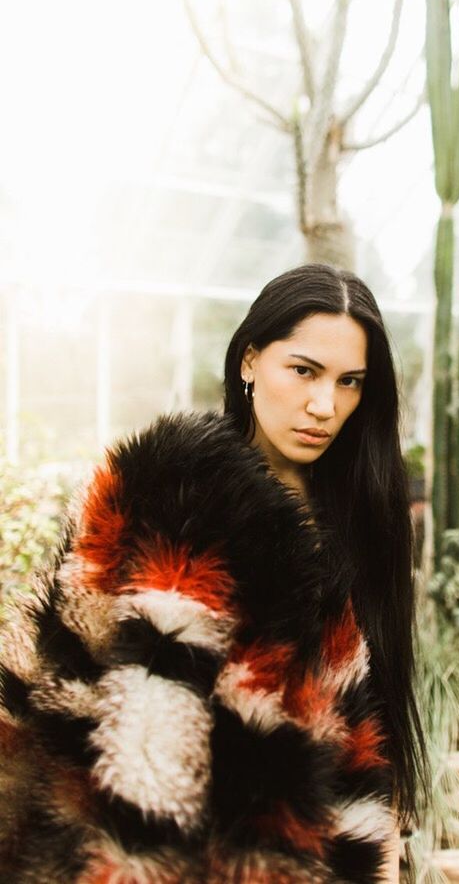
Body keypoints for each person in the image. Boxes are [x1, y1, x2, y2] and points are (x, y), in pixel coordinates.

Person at [0, 262, 430, 883]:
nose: (323, 405)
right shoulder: (167, 494)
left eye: (350, 382)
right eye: (304, 370)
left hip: (328, 849)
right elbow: (74, 684)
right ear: (250, 361)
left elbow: (371, 730)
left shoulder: (364, 517)